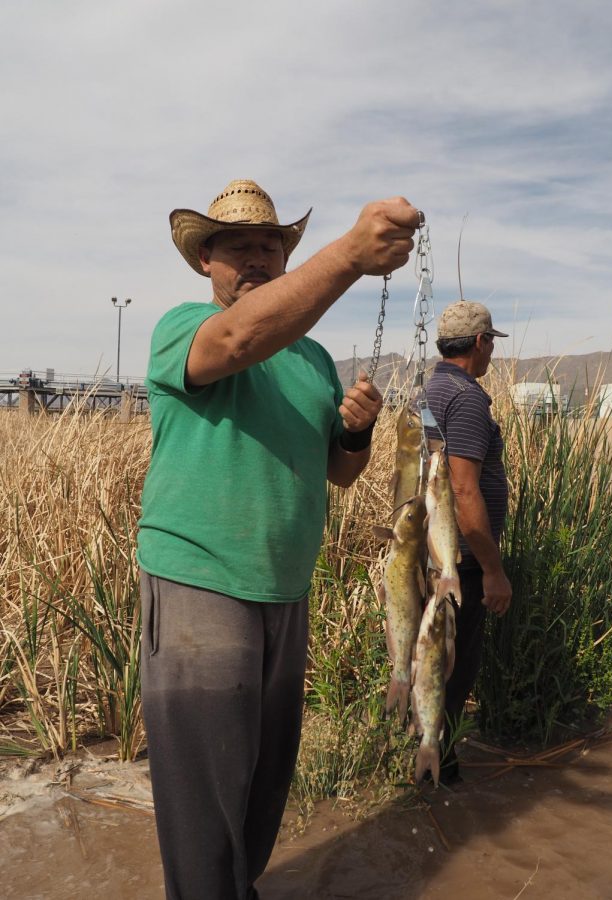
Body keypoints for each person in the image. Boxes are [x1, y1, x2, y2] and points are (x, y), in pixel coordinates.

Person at [136, 179, 419, 899]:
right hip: (200, 582)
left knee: (263, 782)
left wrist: (355, 429)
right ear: (207, 261)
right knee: (205, 800)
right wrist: (352, 253)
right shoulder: (183, 329)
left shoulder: (313, 361)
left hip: (285, 591)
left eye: (269, 243)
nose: (257, 256)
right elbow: (239, 337)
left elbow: (340, 473)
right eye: (238, 246)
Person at [425, 300, 513, 783]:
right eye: (491, 343)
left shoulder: (433, 389)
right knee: (456, 665)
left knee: (436, 656)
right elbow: (462, 489)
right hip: (461, 562)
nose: (491, 353)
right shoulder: (466, 397)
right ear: (480, 343)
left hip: (437, 555)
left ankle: (427, 757)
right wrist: (494, 570)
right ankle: (440, 766)